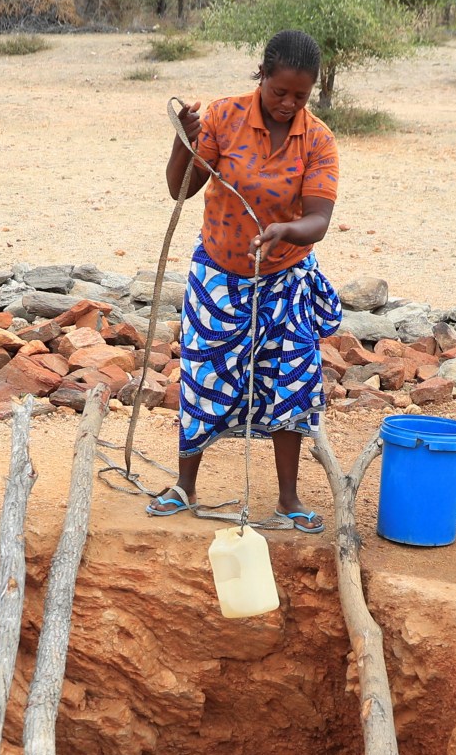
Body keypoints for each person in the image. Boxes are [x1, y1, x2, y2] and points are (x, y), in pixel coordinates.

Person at [146, 29, 342, 534]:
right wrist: (183, 139)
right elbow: (181, 189)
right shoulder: (222, 117)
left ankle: (288, 500)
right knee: (203, 379)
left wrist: (287, 232)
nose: (288, 103)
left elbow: (319, 218)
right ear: (262, 76)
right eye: (280, 91)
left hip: (285, 280)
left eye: (300, 95)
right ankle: (184, 487)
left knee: (291, 385)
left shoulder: (317, 138)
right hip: (219, 278)